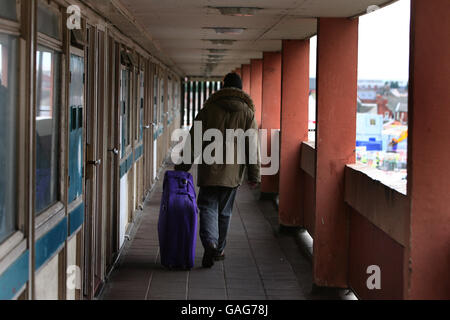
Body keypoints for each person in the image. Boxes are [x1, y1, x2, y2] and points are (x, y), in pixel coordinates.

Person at [175, 73, 261, 268]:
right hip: (232, 175)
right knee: (225, 213)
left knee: (207, 207)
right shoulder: (247, 113)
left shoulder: (209, 110)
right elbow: (252, 146)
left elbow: (193, 141)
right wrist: (254, 174)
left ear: (223, 88)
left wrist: (182, 167)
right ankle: (219, 249)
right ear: (240, 90)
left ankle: (210, 244)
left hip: (209, 171)